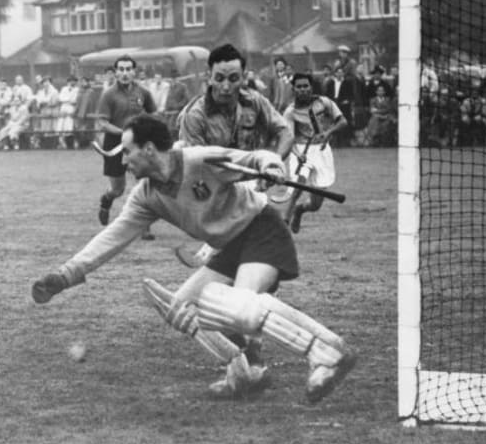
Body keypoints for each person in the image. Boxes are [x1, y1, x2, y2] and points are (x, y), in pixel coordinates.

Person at [31, 114, 356, 403]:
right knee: (182, 309)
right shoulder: (146, 196)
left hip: (261, 229)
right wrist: (65, 276)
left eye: (127, 152)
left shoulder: (199, 160)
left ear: (148, 150)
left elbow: (253, 157)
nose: (123, 161)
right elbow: (110, 239)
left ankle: (328, 352)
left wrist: (270, 166)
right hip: (228, 247)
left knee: (238, 307)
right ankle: (243, 372)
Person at [174, 43, 294, 265]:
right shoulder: (195, 115)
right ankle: (209, 261)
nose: (226, 86)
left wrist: (273, 164)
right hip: (211, 185)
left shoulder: (255, 101)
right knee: (246, 232)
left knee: (250, 239)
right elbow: (196, 168)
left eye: (233, 78)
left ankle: (212, 267)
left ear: (243, 77)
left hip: (252, 182)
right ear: (209, 77)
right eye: (219, 79)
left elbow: (285, 132)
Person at [94, 55, 157, 240]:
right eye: (121, 69)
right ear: (115, 72)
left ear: (134, 72)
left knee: (144, 184)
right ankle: (106, 200)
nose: (125, 73)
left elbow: (154, 113)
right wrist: (123, 133)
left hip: (137, 144)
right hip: (115, 144)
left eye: (128, 69)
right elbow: (103, 123)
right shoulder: (109, 95)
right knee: (118, 189)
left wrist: (149, 129)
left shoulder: (143, 93)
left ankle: (144, 226)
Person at [283, 73, 349, 233]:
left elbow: (342, 121)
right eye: (299, 87)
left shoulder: (324, 102)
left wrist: (329, 133)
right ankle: (284, 222)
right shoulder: (290, 112)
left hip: (322, 151)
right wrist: (298, 155)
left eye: (306, 86)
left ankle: (300, 210)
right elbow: (287, 138)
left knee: (315, 204)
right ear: (294, 89)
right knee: (298, 185)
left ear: (311, 87)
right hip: (301, 151)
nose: (303, 89)